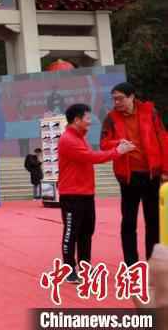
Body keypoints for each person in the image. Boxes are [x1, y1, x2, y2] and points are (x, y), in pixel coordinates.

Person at [58, 103, 134, 283]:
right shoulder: (68, 139)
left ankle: (84, 265)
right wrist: (118, 152)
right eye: (87, 118)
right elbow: (91, 157)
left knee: (86, 231)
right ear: (76, 120)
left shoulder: (80, 138)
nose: (90, 121)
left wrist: (117, 144)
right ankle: (69, 269)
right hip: (72, 195)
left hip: (86, 193)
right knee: (71, 232)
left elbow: (93, 153)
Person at [100, 82, 168, 266]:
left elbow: (163, 138)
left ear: (131, 97)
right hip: (127, 176)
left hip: (151, 174)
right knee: (128, 220)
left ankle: (153, 259)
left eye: (120, 98)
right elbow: (103, 144)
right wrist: (117, 143)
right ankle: (131, 262)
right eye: (114, 99)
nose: (117, 102)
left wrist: (165, 170)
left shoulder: (150, 113)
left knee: (153, 220)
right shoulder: (111, 118)